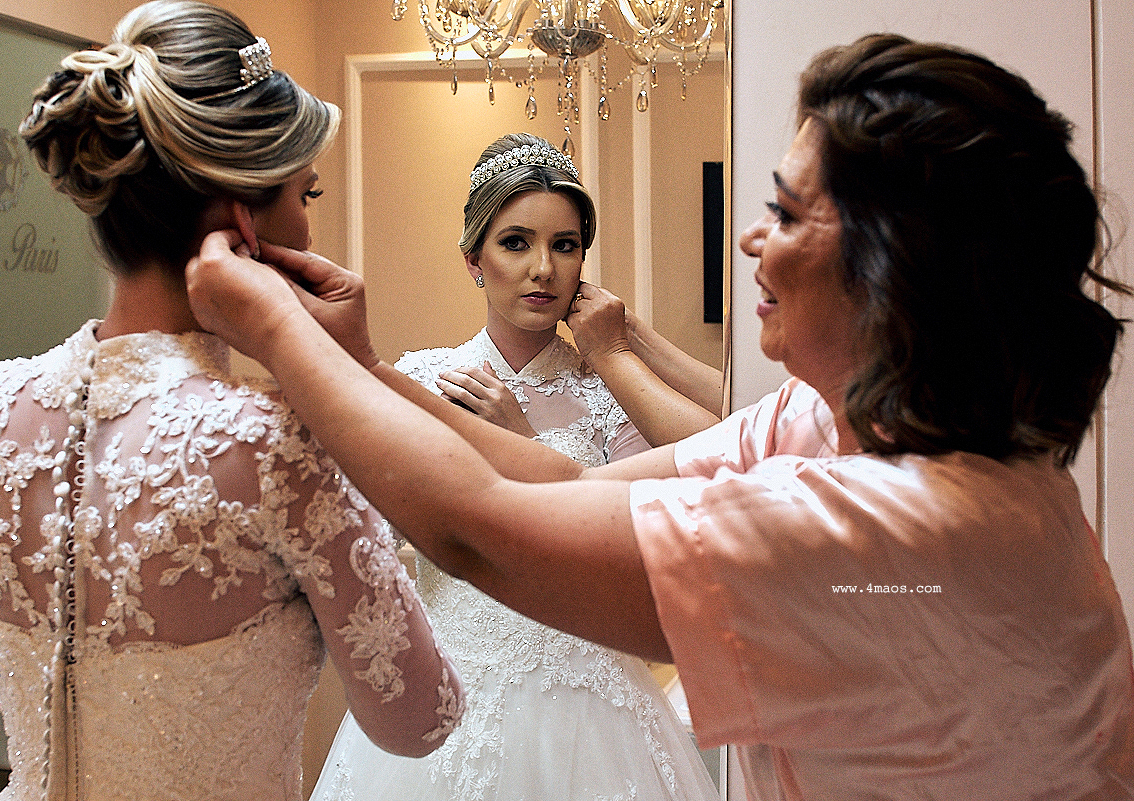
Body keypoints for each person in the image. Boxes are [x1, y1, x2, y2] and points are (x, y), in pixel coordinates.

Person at [187, 33, 1134, 798]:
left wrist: (279, 333)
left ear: (899, 268)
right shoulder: (817, 417)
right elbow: (564, 487)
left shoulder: (897, 542)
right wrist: (363, 364)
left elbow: (488, 537)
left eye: (790, 214)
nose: (753, 237)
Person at [0, 3, 463, 799]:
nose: (310, 230)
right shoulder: (275, 441)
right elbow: (420, 719)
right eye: (306, 194)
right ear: (240, 221)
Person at [311, 132, 719, 801]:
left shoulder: (610, 387)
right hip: (452, 698)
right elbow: (376, 549)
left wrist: (523, 442)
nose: (543, 269)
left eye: (564, 245)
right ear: (474, 260)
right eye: (515, 242)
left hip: (591, 701)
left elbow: (636, 540)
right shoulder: (421, 379)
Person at [566, 281, 724, 445]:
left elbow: (718, 449)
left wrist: (616, 347)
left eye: (564, 252)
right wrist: (627, 333)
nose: (545, 269)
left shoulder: (612, 398)